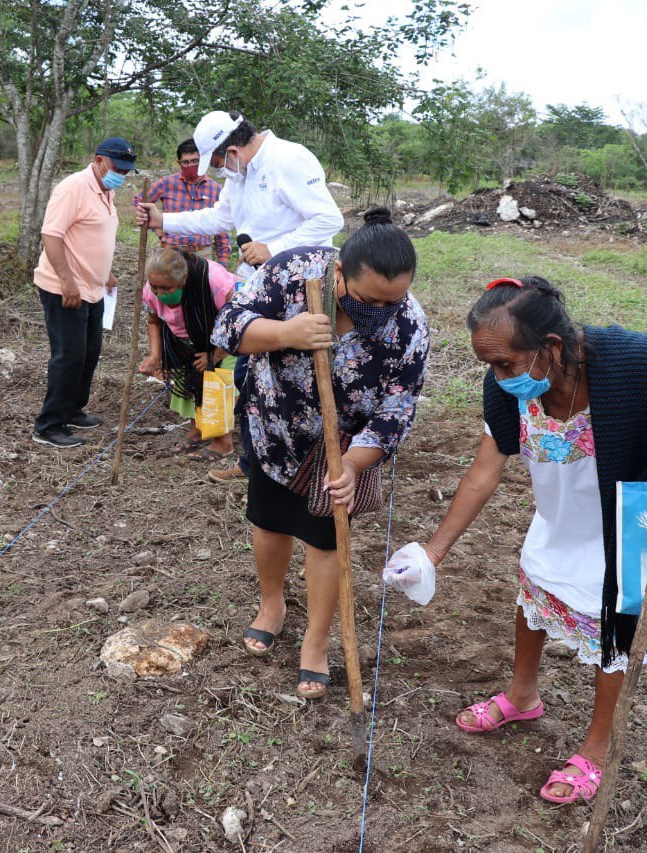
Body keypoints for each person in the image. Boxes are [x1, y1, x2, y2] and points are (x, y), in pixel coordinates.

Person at [401, 276, 647, 803]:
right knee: (536, 591)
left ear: (550, 347)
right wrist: (432, 552)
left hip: (625, 530)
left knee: (610, 625)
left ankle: (596, 747)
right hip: (560, 517)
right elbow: (485, 470)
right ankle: (522, 695)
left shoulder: (639, 365)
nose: (498, 376)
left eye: (505, 363)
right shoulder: (507, 388)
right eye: (490, 364)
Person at [211, 208, 429, 700]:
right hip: (274, 426)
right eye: (371, 299)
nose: (383, 310)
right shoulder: (291, 273)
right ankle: (273, 606)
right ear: (338, 274)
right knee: (268, 522)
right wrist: (286, 333)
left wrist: (353, 464)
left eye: (393, 300)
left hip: (341, 449)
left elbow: (397, 408)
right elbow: (227, 328)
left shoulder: (410, 326)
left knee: (326, 540)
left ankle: (315, 642)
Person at [136, 111, 344, 483]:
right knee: (249, 374)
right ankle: (254, 462)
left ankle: (311, 460)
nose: (216, 170)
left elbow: (329, 220)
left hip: (301, 286)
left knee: (298, 374)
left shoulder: (290, 160)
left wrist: (274, 248)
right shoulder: (240, 174)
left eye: (216, 162)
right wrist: (164, 221)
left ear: (231, 150)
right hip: (258, 286)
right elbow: (218, 218)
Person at [32, 136, 136, 448]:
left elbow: (93, 236)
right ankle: (49, 425)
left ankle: (73, 408)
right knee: (69, 356)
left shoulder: (107, 190)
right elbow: (51, 235)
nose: (123, 175)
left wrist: (106, 274)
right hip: (65, 288)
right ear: (99, 159)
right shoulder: (73, 187)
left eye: (127, 171)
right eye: (118, 168)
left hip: (93, 288)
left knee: (89, 352)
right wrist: (67, 281)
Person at [136, 248, 238, 463]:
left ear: (184, 280)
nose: (160, 294)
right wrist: (155, 356)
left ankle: (223, 442)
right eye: (155, 287)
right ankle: (199, 428)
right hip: (183, 340)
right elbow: (154, 321)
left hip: (224, 339)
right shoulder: (150, 290)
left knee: (217, 384)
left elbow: (236, 322)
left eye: (166, 288)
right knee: (190, 381)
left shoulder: (213, 281)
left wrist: (215, 355)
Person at [133, 138, 232, 266]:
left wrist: (222, 261)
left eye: (195, 161)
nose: (190, 165)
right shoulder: (167, 183)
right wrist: (156, 227)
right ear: (179, 163)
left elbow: (221, 227)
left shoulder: (216, 189)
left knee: (200, 286)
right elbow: (139, 200)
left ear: (203, 160)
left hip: (202, 254)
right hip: (171, 252)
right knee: (168, 286)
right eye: (186, 162)